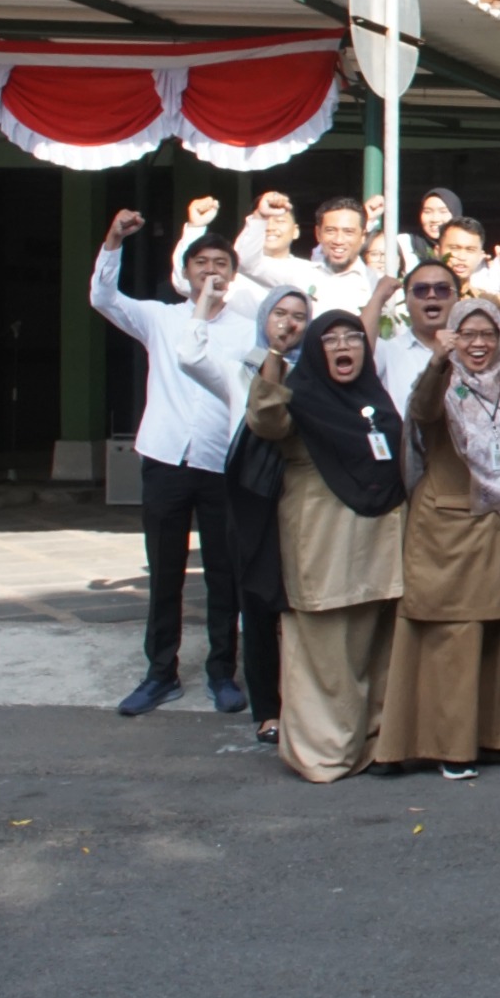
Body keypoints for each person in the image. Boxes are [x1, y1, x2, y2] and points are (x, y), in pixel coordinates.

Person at [91, 210, 260, 718]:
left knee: (223, 574)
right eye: (201, 262)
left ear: (233, 275)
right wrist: (113, 239)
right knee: (165, 569)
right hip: (166, 457)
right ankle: (160, 673)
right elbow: (103, 299)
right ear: (185, 272)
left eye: (221, 263)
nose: (211, 271)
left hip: (219, 462)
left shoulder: (249, 330)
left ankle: (220, 672)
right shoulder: (161, 318)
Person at [377, 298, 500, 778]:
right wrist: (438, 360)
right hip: (451, 531)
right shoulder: (441, 385)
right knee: (455, 640)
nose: (478, 344)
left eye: (488, 335)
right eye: (468, 335)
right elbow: (420, 409)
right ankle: (450, 747)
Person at [244, 311, 408, 782]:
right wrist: (275, 354)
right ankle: (322, 754)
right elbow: (265, 418)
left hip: (378, 548)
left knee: (374, 652)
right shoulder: (302, 400)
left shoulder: (373, 400)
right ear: (316, 351)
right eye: (332, 339)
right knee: (324, 658)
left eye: (352, 337)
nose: (344, 346)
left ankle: (372, 744)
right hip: (324, 548)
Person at [182, 285, 313, 745]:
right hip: (250, 503)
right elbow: (188, 355)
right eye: (280, 313)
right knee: (257, 605)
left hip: (299, 502)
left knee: (301, 606)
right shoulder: (240, 368)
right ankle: (267, 709)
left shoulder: (311, 375)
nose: (289, 323)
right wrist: (203, 302)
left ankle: (304, 703)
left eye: (299, 315)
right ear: (265, 317)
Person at [240, 195, 379, 314]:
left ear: (363, 237)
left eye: (348, 232)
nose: (338, 240)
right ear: (318, 234)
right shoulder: (299, 272)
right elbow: (248, 263)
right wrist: (260, 217)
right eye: (330, 231)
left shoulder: (376, 283)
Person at [369, 259, 461, 414]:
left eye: (442, 289)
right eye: (421, 289)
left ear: (458, 298)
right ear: (405, 300)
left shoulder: (476, 350)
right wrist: (378, 297)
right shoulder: (387, 351)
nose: (431, 295)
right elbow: (359, 348)